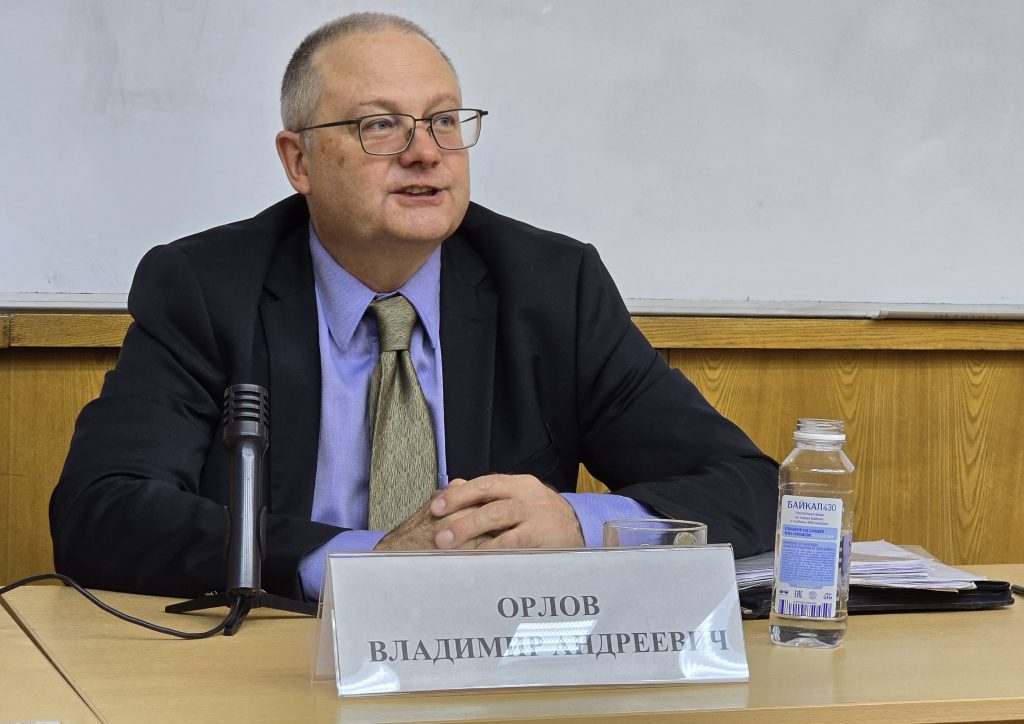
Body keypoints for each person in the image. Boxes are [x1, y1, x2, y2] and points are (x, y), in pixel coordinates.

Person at [49, 12, 778, 602]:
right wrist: (358, 565)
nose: (426, 152)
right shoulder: (208, 288)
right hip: (279, 661)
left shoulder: (551, 286)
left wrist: (577, 525)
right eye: (380, 125)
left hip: (499, 665)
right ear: (299, 161)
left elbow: (749, 486)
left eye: (444, 121)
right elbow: (100, 511)